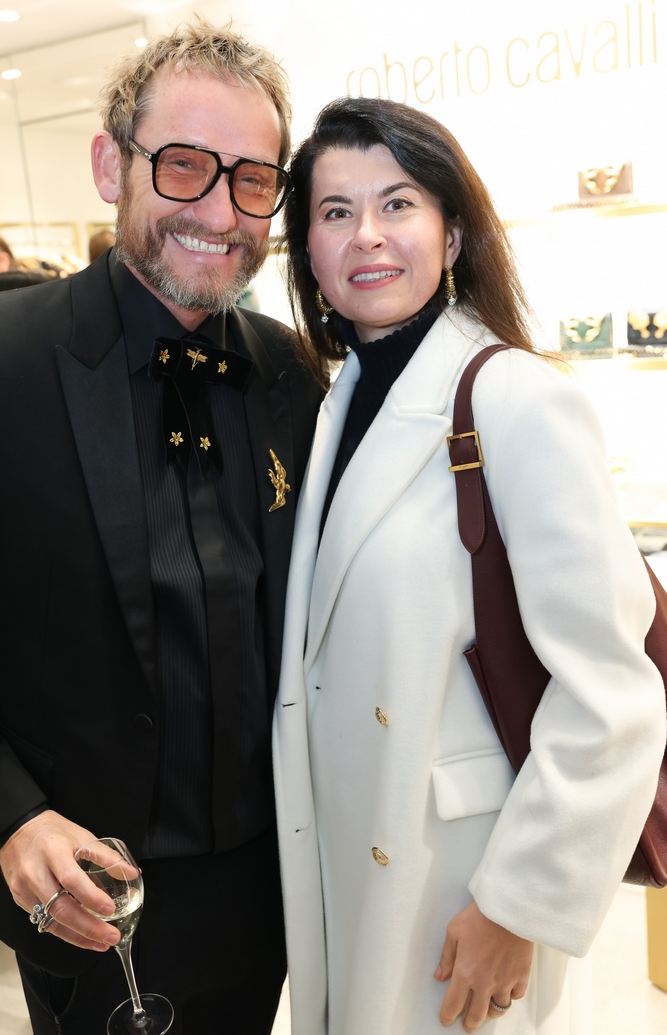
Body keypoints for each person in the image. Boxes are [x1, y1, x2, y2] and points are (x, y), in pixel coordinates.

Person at [0, 19, 322, 1035]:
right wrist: (5, 813)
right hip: (82, 891)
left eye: (254, 180)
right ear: (112, 165)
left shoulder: (291, 373)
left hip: (269, 886)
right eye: (185, 165)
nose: (221, 212)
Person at [272, 96, 666, 1035]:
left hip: (462, 877)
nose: (368, 235)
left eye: (398, 203)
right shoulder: (333, 404)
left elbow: (611, 692)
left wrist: (520, 906)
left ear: (451, 234)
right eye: (335, 211)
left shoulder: (515, 397)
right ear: (309, 252)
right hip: (350, 849)